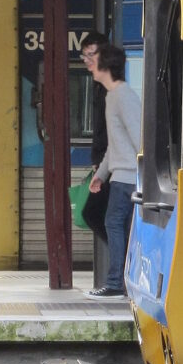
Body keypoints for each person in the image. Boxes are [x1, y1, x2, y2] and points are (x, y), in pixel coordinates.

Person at [85, 44, 141, 300]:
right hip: (121, 175)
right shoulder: (113, 96)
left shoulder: (123, 96)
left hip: (128, 176)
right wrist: (102, 175)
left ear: (106, 65)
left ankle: (117, 283)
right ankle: (124, 282)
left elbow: (139, 137)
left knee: (114, 223)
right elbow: (115, 145)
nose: (89, 63)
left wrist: (144, 175)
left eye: (93, 59)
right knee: (121, 226)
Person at [78, 33, 110, 241]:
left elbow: (111, 130)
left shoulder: (111, 85)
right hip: (105, 162)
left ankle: (124, 259)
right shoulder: (99, 85)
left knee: (92, 213)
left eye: (92, 55)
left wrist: (102, 164)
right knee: (103, 215)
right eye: (85, 55)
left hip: (113, 164)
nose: (88, 60)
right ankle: (123, 260)